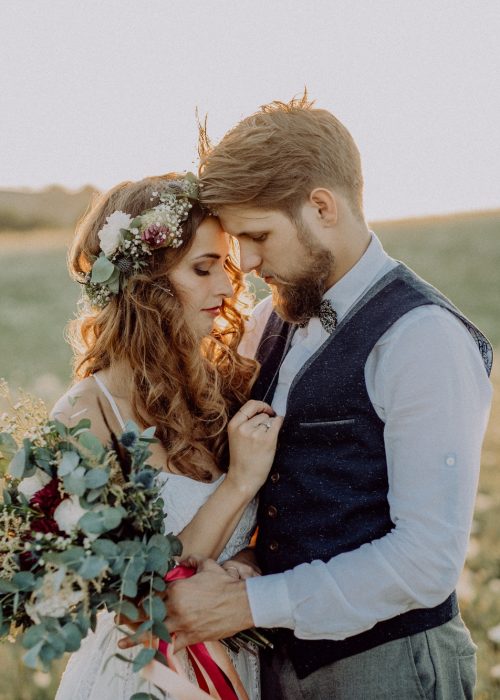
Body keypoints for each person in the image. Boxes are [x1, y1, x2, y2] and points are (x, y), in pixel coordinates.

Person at [162, 96, 494, 699]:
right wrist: (252, 563)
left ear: (321, 207)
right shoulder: (270, 319)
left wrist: (248, 602)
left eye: (258, 236)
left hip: (390, 667)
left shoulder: (423, 339)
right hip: (283, 666)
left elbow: (425, 562)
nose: (249, 262)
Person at [52, 173, 282, 700]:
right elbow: (146, 591)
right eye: (203, 269)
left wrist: (249, 563)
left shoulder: (223, 388)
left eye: (224, 268)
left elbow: (267, 531)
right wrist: (238, 483)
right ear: (145, 283)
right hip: (140, 679)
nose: (226, 288)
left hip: (236, 670)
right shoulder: (86, 416)